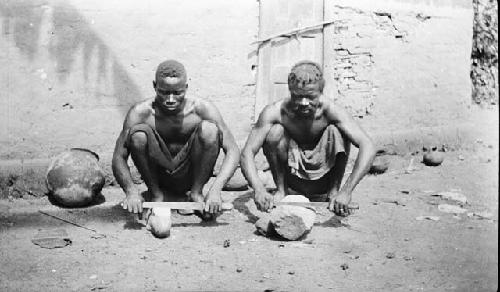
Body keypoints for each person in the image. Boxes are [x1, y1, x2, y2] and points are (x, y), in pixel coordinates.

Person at [240, 60, 376, 216]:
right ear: (290, 91)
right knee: (275, 132)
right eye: (297, 96)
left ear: (321, 92)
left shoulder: (331, 110)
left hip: (323, 180)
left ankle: (334, 193)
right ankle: (282, 190)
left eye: (311, 96)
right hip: (293, 179)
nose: (304, 102)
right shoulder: (276, 111)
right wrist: (259, 189)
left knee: (338, 131)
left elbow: (368, 146)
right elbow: (247, 152)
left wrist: (347, 191)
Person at [112, 60, 240, 220]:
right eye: (164, 92)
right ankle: (156, 194)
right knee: (138, 135)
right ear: (154, 86)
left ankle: (196, 193)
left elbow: (233, 150)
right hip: (158, 175)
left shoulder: (201, 109)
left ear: (186, 88)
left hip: (189, 175)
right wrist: (131, 191)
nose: (171, 99)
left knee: (210, 130)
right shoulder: (141, 112)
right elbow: (119, 156)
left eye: (177, 93)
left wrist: (215, 190)